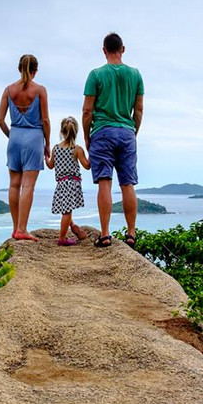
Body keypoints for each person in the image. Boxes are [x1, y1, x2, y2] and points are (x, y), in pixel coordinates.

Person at [82, 32, 144, 248]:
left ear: (104, 50)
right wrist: (132, 132)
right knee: (127, 183)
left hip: (102, 132)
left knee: (105, 183)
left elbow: (87, 110)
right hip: (126, 132)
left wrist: (87, 136)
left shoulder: (95, 75)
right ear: (123, 49)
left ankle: (106, 234)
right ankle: (131, 233)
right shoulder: (135, 75)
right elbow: (139, 109)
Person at [0, 54, 51, 241]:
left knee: (14, 184)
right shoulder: (40, 90)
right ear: (35, 71)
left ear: (19, 68)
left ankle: (15, 228)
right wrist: (47, 144)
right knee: (28, 186)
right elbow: (45, 120)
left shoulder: (8, 90)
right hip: (34, 138)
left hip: (15, 138)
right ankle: (22, 228)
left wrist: (11, 136)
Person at [46, 117, 91, 246]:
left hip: (61, 183)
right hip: (72, 183)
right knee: (67, 211)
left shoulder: (56, 148)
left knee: (65, 208)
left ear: (62, 131)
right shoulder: (77, 149)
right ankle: (62, 238)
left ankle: (73, 226)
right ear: (76, 131)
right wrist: (92, 153)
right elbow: (87, 166)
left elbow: (50, 165)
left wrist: (46, 156)